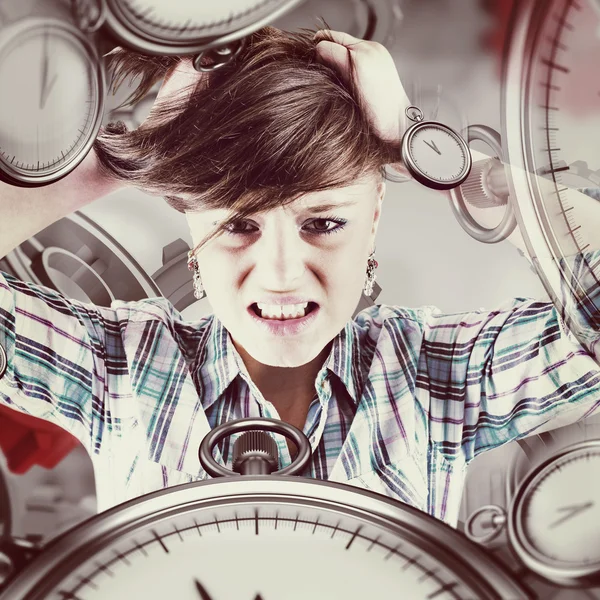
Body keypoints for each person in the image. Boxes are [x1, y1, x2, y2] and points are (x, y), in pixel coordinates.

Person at [0, 27, 599, 528]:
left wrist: (427, 151)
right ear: (189, 229)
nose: (282, 274)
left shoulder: (439, 372)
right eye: (238, 226)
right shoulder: (119, 366)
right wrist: (136, 152)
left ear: (373, 221)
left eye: (322, 223)